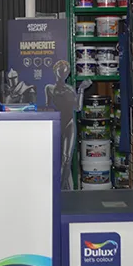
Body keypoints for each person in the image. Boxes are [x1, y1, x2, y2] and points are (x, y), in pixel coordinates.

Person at [45, 60, 77, 191]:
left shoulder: (70, 89)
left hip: (69, 123)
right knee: (55, 156)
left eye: (66, 71)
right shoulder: (49, 88)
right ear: (55, 71)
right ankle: (60, 186)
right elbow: (47, 107)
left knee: (67, 158)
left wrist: (81, 90)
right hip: (57, 123)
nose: (63, 73)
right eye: (61, 70)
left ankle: (61, 187)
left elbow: (78, 107)